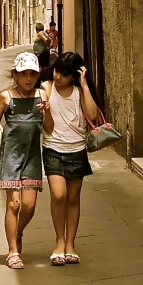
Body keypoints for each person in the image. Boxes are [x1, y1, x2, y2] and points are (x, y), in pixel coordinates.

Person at [0, 52, 53, 269]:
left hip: (33, 157)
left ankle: (17, 233)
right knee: (14, 204)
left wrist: (48, 112)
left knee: (29, 205)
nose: (28, 79)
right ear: (15, 75)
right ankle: (13, 251)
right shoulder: (6, 97)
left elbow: (49, 128)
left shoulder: (42, 96)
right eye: (24, 74)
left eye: (33, 74)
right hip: (11, 156)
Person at [41, 52, 100, 266]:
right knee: (58, 195)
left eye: (65, 74)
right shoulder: (47, 88)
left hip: (77, 150)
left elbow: (92, 116)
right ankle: (59, 241)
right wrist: (45, 110)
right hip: (53, 148)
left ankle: (70, 245)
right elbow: (47, 125)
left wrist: (84, 86)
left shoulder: (79, 91)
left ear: (74, 76)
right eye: (57, 71)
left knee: (73, 198)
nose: (58, 77)